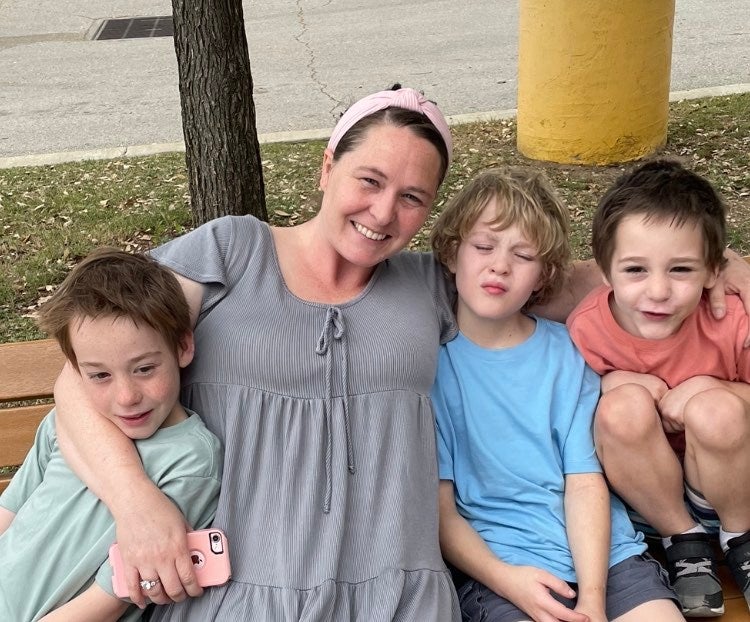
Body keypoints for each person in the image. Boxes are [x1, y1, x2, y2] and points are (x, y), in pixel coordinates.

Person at [50, 87, 750, 621]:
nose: (384, 213)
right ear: (327, 166)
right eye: (369, 180)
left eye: (413, 198)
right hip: (241, 591)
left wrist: (726, 264)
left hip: (398, 596)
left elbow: (572, 272)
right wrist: (137, 505)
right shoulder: (233, 252)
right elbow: (84, 372)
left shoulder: (428, 287)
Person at [430, 168, 683, 622]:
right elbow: (441, 511)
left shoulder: (567, 351)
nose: (499, 265)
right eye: (484, 246)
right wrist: (508, 580)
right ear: (452, 252)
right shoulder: (428, 366)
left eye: (522, 254)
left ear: (543, 274)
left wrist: (591, 597)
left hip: (607, 561)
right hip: (503, 574)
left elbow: (585, 481)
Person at [566, 159, 750, 617]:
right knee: (619, 407)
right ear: (604, 272)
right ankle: (684, 544)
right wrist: (610, 382)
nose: (658, 291)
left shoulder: (731, 320)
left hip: (732, 485)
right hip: (650, 502)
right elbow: (577, 425)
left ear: (713, 271)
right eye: (635, 270)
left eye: (681, 270)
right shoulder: (588, 331)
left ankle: (742, 542)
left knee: (716, 410)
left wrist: (718, 387)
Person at [0, 248, 222, 622]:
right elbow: (10, 509)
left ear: (183, 347)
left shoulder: (193, 462)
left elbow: (112, 598)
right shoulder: (69, 422)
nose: (126, 397)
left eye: (145, 369)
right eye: (100, 375)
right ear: (75, 370)